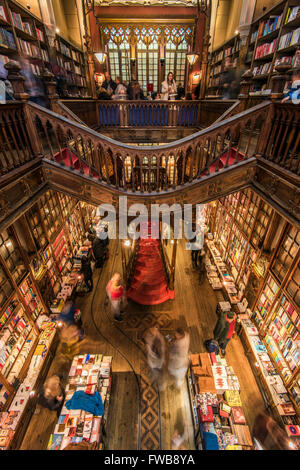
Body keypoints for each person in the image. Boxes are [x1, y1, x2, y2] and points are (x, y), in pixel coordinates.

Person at [143, 327, 167, 391]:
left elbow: (161, 352)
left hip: (157, 363)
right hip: (154, 363)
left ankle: (160, 385)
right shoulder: (152, 340)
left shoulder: (159, 342)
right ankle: (156, 383)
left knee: (158, 375)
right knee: (155, 374)